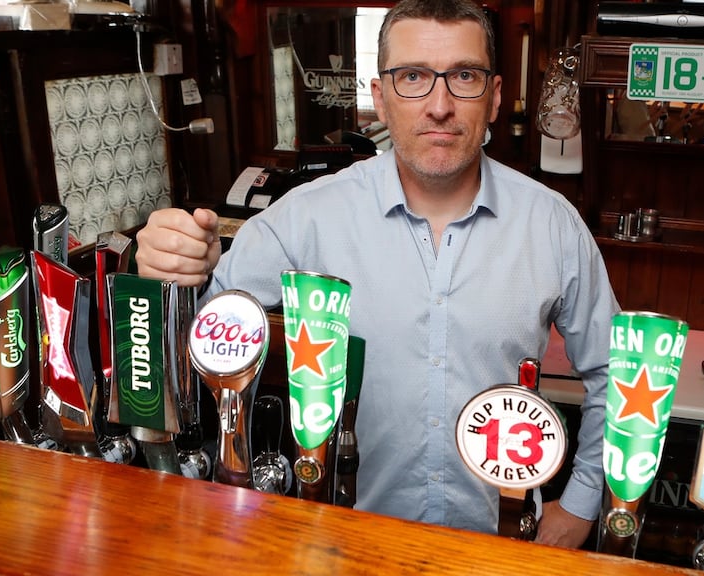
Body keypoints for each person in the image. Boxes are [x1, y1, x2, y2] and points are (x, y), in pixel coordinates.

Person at [135, 0, 619, 549]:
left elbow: (615, 372)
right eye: (413, 76)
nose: (439, 105)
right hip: (339, 542)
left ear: (495, 96)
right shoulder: (304, 216)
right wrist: (165, 277)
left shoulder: (551, 224)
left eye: (464, 76)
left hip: (500, 544)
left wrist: (581, 502)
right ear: (380, 98)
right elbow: (201, 345)